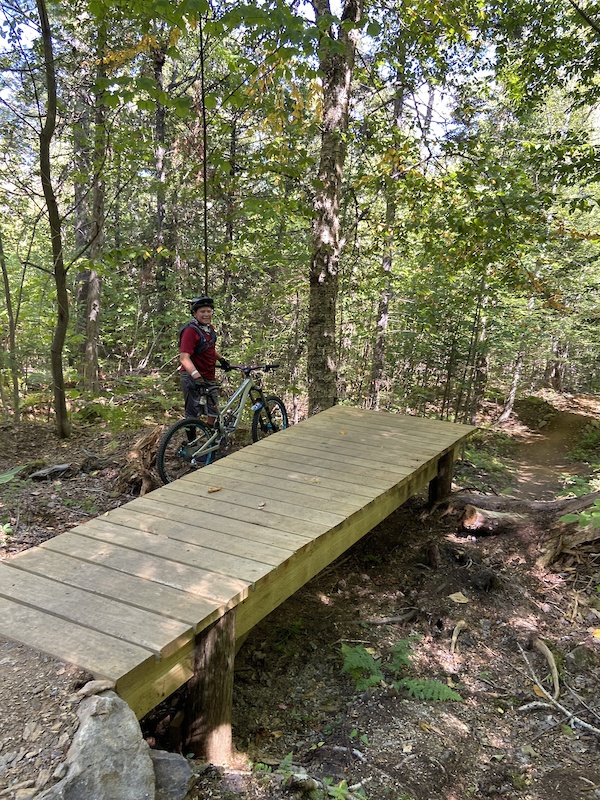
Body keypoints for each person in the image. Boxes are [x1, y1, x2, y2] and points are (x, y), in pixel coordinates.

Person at [179, 295, 232, 425]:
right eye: (202, 311)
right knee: (192, 412)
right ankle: (191, 443)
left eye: (209, 311)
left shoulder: (209, 329)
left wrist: (221, 359)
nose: (206, 314)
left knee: (213, 410)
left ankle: (209, 436)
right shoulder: (190, 331)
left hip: (208, 376)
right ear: (195, 313)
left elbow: (207, 348)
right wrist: (196, 377)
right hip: (192, 377)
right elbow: (184, 358)